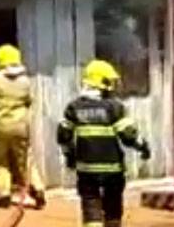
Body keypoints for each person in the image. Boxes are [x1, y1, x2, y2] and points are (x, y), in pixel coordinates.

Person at [57, 59, 151, 227]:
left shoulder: (74, 107)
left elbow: (63, 135)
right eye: (109, 81)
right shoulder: (114, 107)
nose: (112, 85)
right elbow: (128, 136)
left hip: (86, 169)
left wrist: (70, 156)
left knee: (90, 205)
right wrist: (143, 146)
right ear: (102, 83)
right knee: (113, 208)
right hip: (112, 169)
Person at [0, 44, 46, 209]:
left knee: (1, 161)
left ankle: (3, 194)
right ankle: (38, 188)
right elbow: (29, 101)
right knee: (25, 159)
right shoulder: (25, 81)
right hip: (21, 125)